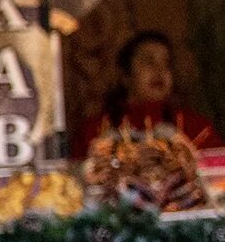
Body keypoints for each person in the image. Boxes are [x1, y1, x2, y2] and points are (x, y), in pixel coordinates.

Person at [73, 30, 217, 158]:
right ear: (126, 76)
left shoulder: (197, 129)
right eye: (149, 62)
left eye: (166, 63)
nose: (159, 70)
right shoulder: (94, 131)